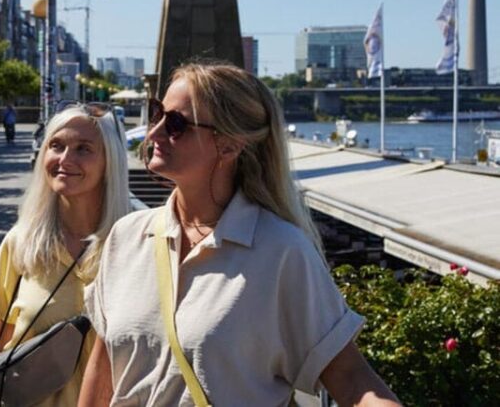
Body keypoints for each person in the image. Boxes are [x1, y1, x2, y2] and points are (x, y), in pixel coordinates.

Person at [78, 62, 401, 407]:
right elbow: (103, 370)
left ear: (229, 146)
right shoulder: (126, 238)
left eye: (175, 124)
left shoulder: (281, 251)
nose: (153, 132)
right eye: (156, 113)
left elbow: (351, 378)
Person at [0, 102, 130, 406]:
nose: (65, 159)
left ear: (109, 162)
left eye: (83, 149)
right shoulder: (21, 243)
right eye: (56, 146)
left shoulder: (136, 245)